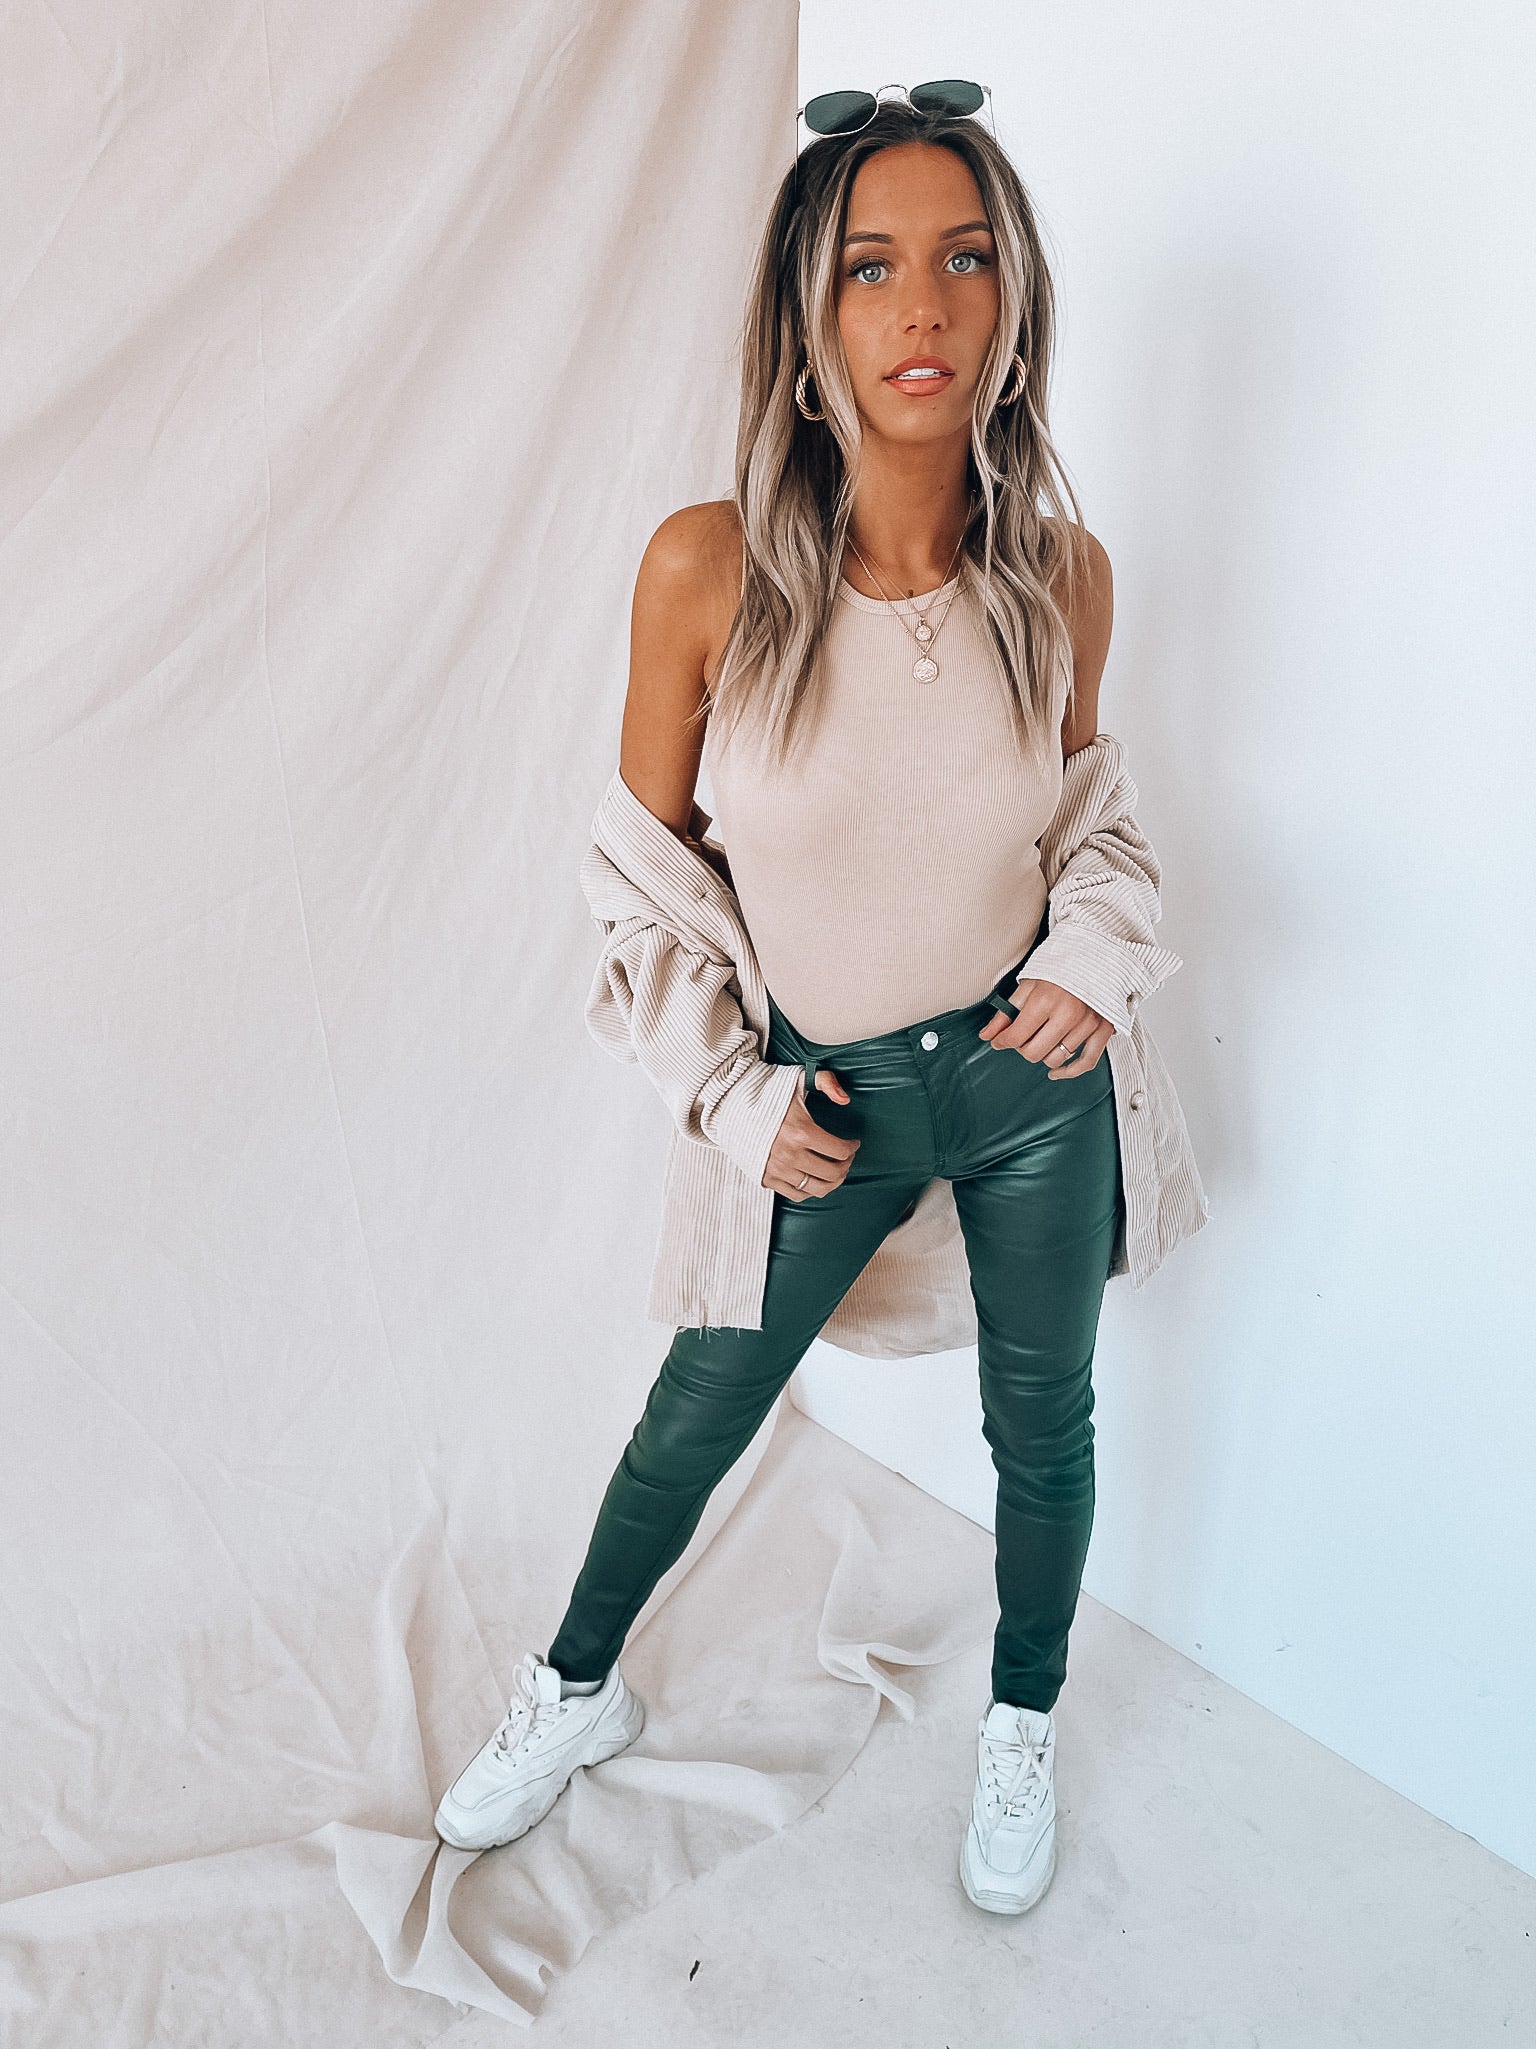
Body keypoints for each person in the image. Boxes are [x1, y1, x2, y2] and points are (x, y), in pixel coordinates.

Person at [436, 87, 1169, 1918]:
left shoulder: (1060, 577)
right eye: (870, 268)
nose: (921, 307)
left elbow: (1094, 828)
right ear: (808, 311)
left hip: (1026, 1090)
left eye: (964, 259)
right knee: (698, 1411)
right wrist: (737, 1097)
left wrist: (1088, 962)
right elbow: (639, 892)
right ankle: (573, 1687)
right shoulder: (707, 572)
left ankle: (1021, 1718)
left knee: (1046, 1422)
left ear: (1011, 302)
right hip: (816, 1103)